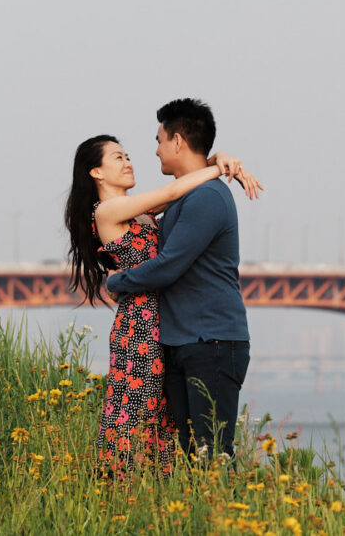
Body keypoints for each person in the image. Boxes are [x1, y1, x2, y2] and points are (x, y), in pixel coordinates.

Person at [64, 133, 256, 476]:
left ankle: (155, 492)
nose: (129, 162)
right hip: (139, 326)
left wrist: (217, 159)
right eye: (118, 158)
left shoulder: (141, 212)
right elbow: (172, 191)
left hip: (164, 325)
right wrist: (219, 170)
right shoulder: (107, 211)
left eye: (128, 156)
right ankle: (118, 491)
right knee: (134, 415)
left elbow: (180, 191)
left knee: (160, 420)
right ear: (96, 173)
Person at [106, 98, 257, 461]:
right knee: (191, 456)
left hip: (214, 342)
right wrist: (217, 159)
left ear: (177, 142)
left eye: (159, 141)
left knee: (213, 454)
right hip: (186, 342)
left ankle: (225, 516)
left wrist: (116, 282)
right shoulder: (186, 195)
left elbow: (170, 265)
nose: (155, 151)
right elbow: (158, 204)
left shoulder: (206, 198)